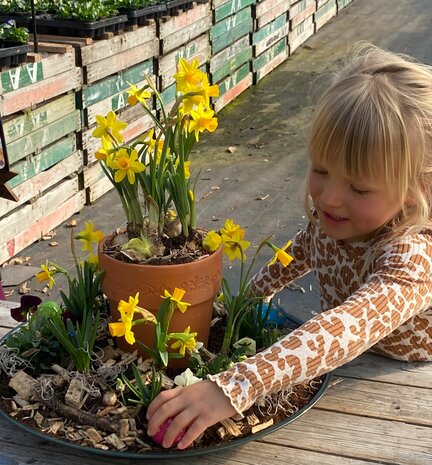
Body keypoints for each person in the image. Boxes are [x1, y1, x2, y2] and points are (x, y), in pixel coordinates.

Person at [146, 43, 432, 449]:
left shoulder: (412, 257)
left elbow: (348, 327)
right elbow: (292, 257)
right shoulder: (332, 223)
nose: (329, 198)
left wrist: (232, 387)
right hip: (347, 367)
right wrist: (237, 310)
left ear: (414, 190)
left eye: (359, 187)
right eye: (320, 170)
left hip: (408, 378)